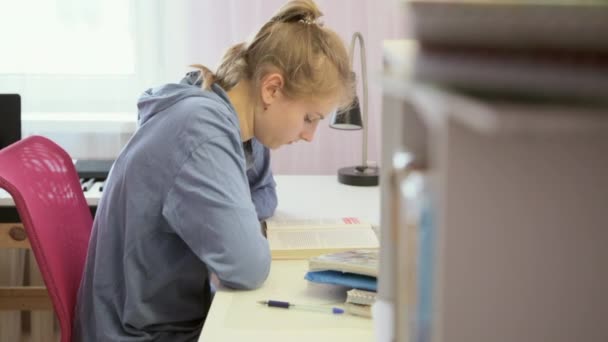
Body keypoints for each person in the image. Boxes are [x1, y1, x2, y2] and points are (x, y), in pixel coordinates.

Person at [72, 0, 355, 341]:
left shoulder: (235, 120)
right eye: (310, 118)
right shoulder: (202, 129)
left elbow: (265, 194)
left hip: (161, 317)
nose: (309, 135)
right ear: (272, 88)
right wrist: (237, 228)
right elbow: (247, 266)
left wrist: (236, 220)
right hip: (139, 334)